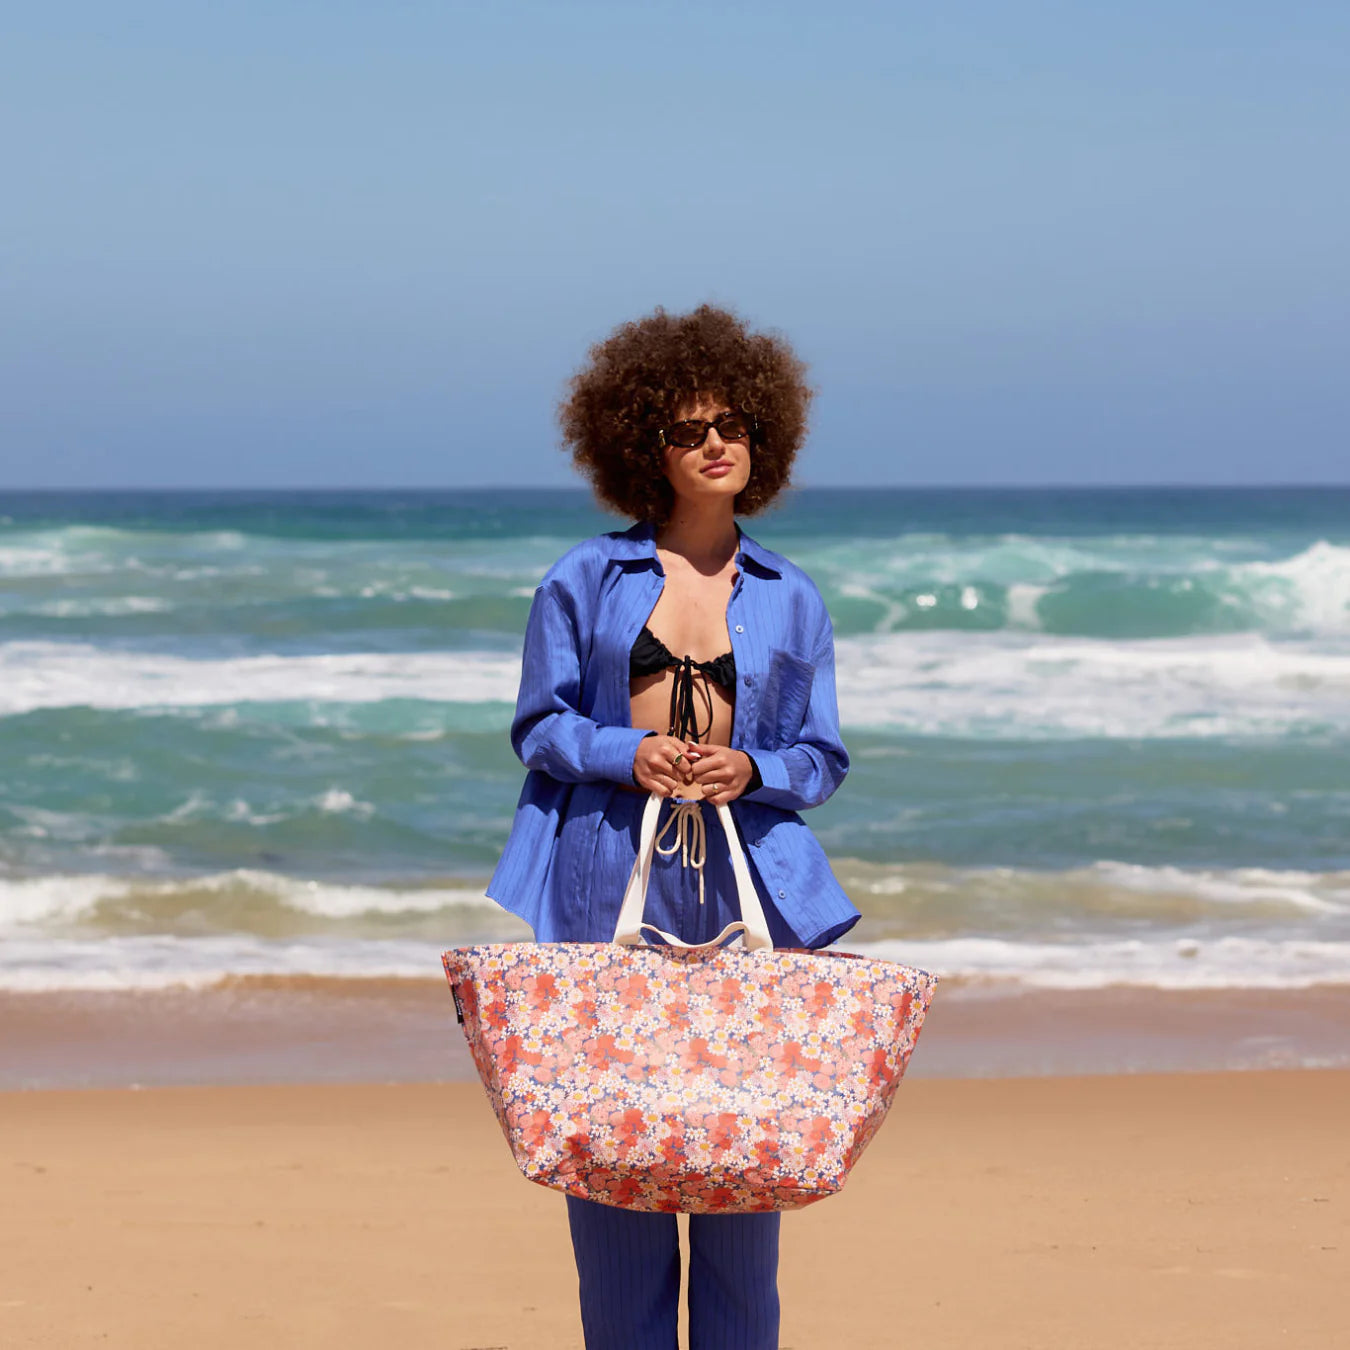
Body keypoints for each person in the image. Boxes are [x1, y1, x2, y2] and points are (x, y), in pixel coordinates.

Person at [486, 303, 859, 1350]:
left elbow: (821, 761)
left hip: (750, 893)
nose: (715, 444)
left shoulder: (793, 597)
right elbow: (539, 726)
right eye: (690, 429)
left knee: (744, 1183)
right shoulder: (583, 579)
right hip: (604, 882)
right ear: (644, 445)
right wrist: (628, 752)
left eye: (734, 425)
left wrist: (751, 768)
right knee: (615, 1176)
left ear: (762, 442)